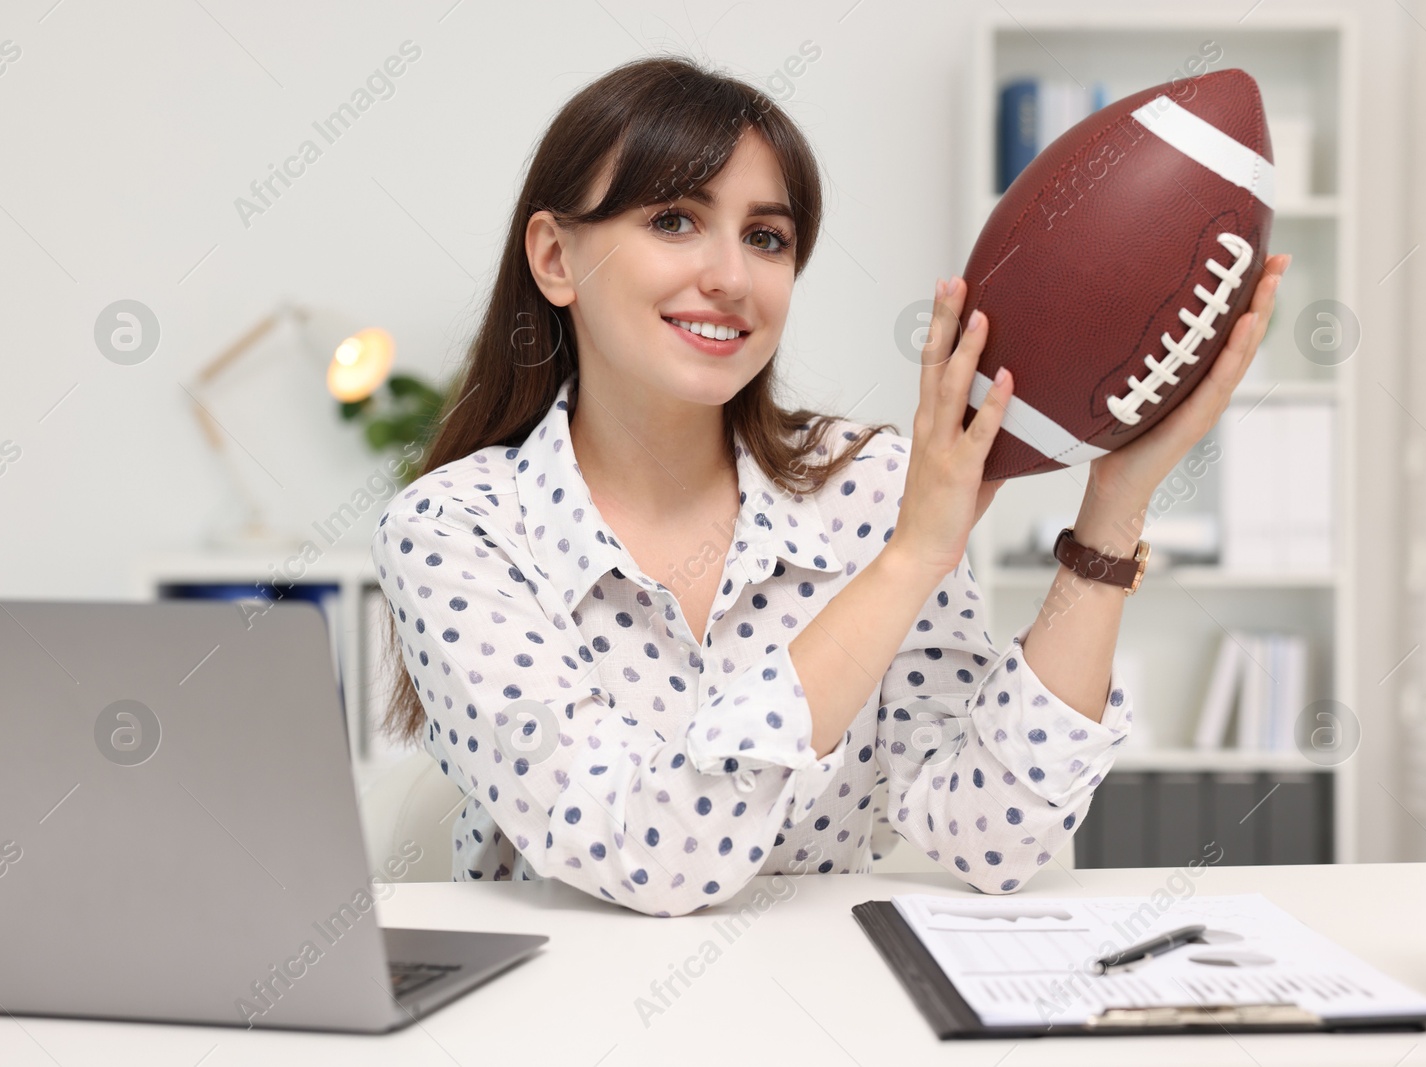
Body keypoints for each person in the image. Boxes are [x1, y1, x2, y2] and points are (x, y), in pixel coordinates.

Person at [371, 55, 1287, 917]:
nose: (731, 278)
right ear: (555, 257)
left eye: (766, 237)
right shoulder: (457, 531)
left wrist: (1115, 505)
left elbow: (994, 837)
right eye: (673, 220)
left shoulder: (874, 487)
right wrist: (908, 562)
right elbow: (651, 852)